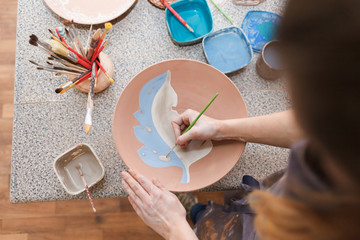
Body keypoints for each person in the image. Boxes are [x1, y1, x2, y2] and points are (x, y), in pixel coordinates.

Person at [121, 0, 360, 239]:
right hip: (272, 207)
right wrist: (219, 128)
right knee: (217, 216)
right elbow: (318, 124)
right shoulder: (341, 123)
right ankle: (203, 213)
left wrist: (174, 228)